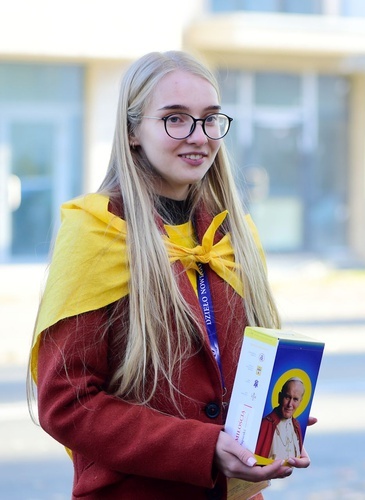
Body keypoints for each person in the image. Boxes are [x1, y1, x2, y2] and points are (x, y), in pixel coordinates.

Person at [28, 50, 310, 500]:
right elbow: (67, 403)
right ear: (132, 131)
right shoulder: (97, 230)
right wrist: (201, 447)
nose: (198, 137)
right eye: (175, 119)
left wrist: (273, 418)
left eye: (210, 119)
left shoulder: (231, 231)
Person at [255, 377, 305, 460]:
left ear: (300, 402)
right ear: (279, 397)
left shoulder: (296, 426)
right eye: (287, 397)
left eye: (295, 399)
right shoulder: (265, 424)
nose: (290, 404)